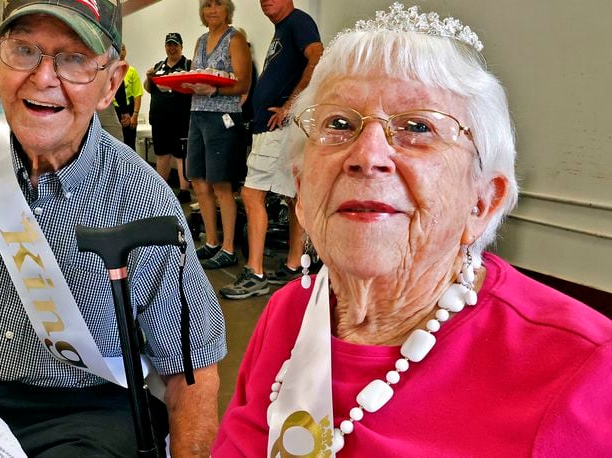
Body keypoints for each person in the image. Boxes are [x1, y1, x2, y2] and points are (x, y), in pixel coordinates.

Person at [212, 3, 612, 456]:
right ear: (302, 190)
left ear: (483, 201)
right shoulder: (287, 312)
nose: (367, 155)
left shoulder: (582, 372)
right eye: (339, 124)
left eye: (417, 127)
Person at [0, 1, 227, 456]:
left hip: (89, 413)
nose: (43, 77)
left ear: (111, 84)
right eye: (24, 50)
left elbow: (191, 367)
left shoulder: (144, 197)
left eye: (75, 58)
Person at [219, 0, 322, 299]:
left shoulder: (298, 22)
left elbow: (318, 57)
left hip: (278, 128)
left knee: (252, 195)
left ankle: (255, 273)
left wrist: (290, 105)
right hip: (274, 128)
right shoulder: (284, 29)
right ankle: (293, 265)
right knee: (292, 197)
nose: (265, 1)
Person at [185, 0, 252, 270]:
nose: (211, 10)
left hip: (223, 118)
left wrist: (214, 91)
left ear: (228, 10)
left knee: (222, 184)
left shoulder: (235, 39)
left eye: (217, 5)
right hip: (197, 114)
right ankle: (212, 241)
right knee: (198, 180)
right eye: (207, 5)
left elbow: (244, 83)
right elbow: (196, 74)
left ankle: (228, 248)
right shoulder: (200, 40)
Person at [144, 32, 193, 202]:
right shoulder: (158, 66)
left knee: (182, 154)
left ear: (181, 46)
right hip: (160, 118)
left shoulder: (188, 65)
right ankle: (162, 189)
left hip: (181, 118)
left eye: (175, 45)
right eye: (169, 45)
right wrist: (148, 78)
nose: (172, 48)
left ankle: (185, 190)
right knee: (161, 154)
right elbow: (149, 89)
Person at [115, 43, 143, 150]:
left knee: (129, 144)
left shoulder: (132, 71)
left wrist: (135, 115)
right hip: (113, 110)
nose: (121, 53)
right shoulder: (110, 70)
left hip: (128, 111)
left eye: (123, 49)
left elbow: (137, 94)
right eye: (119, 49)